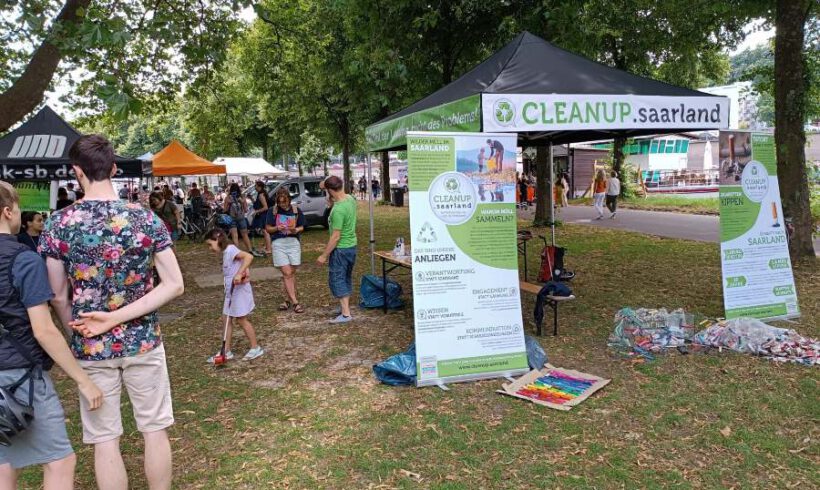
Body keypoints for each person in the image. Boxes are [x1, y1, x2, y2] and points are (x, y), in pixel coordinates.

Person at [40, 134, 184, 490]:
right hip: (144, 342)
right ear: (114, 169)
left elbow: (58, 295)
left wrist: (77, 330)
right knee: (154, 429)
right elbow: (173, 284)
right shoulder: (145, 219)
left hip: (90, 345)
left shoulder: (59, 224)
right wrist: (121, 317)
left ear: (77, 173)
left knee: (105, 438)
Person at [0, 182, 103, 490]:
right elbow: (44, 330)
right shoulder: (23, 259)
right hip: (21, 377)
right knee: (59, 461)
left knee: (4, 462)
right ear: (8, 212)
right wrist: (83, 380)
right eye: (18, 208)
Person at [204, 228, 263, 363]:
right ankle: (226, 351)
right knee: (226, 318)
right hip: (230, 292)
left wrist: (239, 273)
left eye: (210, 244)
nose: (210, 248)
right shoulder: (226, 253)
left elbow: (249, 257)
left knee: (241, 319)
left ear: (218, 239)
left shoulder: (230, 250)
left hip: (239, 291)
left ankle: (255, 347)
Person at [317, 176, 357, 324]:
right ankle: (344, 307)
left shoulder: (339, 210)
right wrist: (327, 187)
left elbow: (335, 237)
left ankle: (346, 314)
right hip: (351, 247)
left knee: (337, 278)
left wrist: (324, 255)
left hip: (340, 249)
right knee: (345, 277)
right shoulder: (350, 199)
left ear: (330, 191)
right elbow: (325, 184)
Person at [265, 187, 306, 314]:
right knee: (287, 273)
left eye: (285, 201)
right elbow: (267, 228)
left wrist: (296, 230)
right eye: (280, 202)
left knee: (290, 273)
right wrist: (277, 227)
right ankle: (295, 302)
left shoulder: (295, 210)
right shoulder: (273, 211)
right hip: (279, 243)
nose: (283, 204)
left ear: (289, 199)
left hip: (293, 242)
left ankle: (286, 299)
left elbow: (302, 226)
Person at [223, 183, 257, 255]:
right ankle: (250, 250)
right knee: (245, 235)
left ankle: (237, 253)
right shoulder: (242, 197)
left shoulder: (228, 198)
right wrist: (241, 202)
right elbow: (246, 210)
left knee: (235, 236)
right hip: (241, 218)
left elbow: (225, 210)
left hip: (232, 218)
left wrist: (229, 204)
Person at [250, 181, 271, 256]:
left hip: (263, 215)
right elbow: (257, 205)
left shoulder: (261, 195)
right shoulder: (260, 194)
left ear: (259, 186)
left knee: (265, 232)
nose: (255, 187)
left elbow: (265, 207)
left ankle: (269, 249)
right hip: (263, 215)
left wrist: (256, 212)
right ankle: (267, 247)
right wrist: (251, 198)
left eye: (255, 186)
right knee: (265, 231)